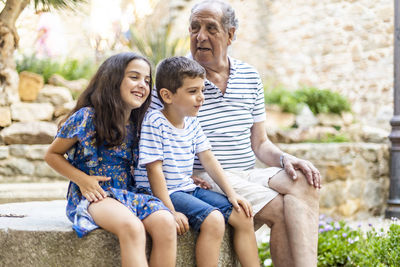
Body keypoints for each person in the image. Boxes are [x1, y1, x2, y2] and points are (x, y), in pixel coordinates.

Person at [152, 1, 321, 266]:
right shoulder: (174, 78)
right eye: (194, 28)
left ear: (230, 34)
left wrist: (285, 158)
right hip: (206, 176)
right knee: (280, 209)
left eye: (210, 28)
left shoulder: (250, 77)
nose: (200, 36)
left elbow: (260, 143)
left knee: (304, 182)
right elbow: (155, 136)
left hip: (247, 173)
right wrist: (180, 178)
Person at [45, 52, 176, 267]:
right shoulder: (88, 117)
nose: (143, 85)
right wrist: (82, 180)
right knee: (132, 227)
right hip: (95, 195)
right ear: (113, 80)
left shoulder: (138, 123)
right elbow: (51, 155)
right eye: (134, 77)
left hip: (128, 192)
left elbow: (157, 161)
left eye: (147, 80)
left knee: (166, 223)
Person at [135, 56, 260, 267]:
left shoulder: (192, 122)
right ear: (167, 95)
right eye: (193, 92)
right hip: (164, 193)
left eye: (202, 90)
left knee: (242, 215)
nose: (201, 97)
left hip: (185, 188)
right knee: (214, 220)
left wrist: (232, 194)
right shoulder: (155, 122)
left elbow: (209, 159)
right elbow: (154, 171)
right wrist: (169, 211)